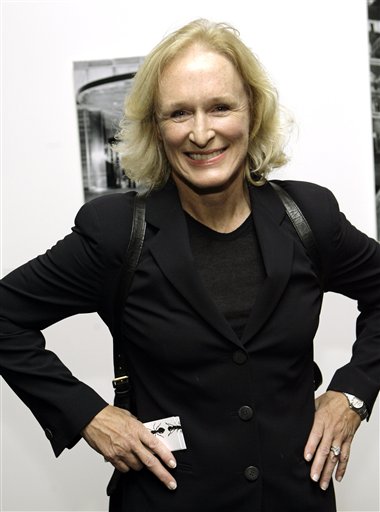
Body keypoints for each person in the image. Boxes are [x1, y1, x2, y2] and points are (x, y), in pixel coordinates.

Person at [1, 18, 379, 512]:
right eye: (179, 113)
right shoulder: (115, 233)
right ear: (156, 129)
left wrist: (351, 392)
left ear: (252, 111)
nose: (202, 133)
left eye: (220, 107)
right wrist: (87, 414)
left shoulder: (310, 216)